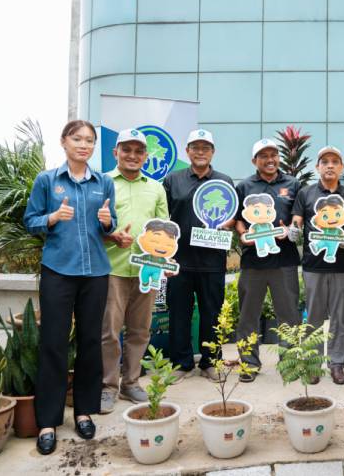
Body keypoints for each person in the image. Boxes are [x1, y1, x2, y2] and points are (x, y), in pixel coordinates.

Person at [23, 120, 117, 455]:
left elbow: (110, 224)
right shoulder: (47, 180)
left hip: (95, 273)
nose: (84, 145)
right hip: (58, 272)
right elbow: (30, 220)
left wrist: (108, 222)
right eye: (77, 139)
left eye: (89, 140)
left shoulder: (103, 182)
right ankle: (48, 422)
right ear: (64, 142)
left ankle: (84, 412)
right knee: (53, 343)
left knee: (92, 342)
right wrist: (50, 217)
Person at [99, 128, 169, 414]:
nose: (132, 155)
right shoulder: (102, 182)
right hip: (111, 268)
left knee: (140, 331)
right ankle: (107, 386)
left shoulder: (156, 187)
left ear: (146, 156)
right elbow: (91, 224)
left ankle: (131, 383)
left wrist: (166, 260)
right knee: (109, 332)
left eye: (139, 151)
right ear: (116, 152)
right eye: (126, 149)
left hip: (147, 270)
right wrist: (112, 234)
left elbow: (165, 230)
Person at [163, 129, 234, 383]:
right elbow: (164, 219)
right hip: (180, 261)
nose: (200, 151)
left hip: (213, 261)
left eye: (205, 147)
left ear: (212, 152)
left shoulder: (224, 181)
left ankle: (210, 361)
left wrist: (228, 223)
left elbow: (233, 215)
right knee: (179, 313)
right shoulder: (173, 180)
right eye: (195, 147)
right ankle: (181, 363)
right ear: (188, 151)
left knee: (212, 313)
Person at [234, 138, 302, 382]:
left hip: (284, 260)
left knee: (289, 315)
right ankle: (249, 363)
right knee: (248, 315)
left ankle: (289, 361)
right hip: (253, 262)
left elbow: (298, 214)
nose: (270, 159)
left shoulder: (292, 183)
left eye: (273, 154)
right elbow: (237, 218)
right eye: (263, 156)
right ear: (255, 161)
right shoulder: (244, 186)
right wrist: (243, 235)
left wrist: (293, 230)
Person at [291, 146, 344, 385]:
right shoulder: (306, 194)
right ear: (317, 167)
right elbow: (297, 221)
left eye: (335, 161)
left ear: (341, 168)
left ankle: (337, 364)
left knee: (340, 317)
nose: (330, 165)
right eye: (325, 161)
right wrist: (294, 230)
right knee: (314, 317)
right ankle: (313, 364)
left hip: (342, 266)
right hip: (313, 266)